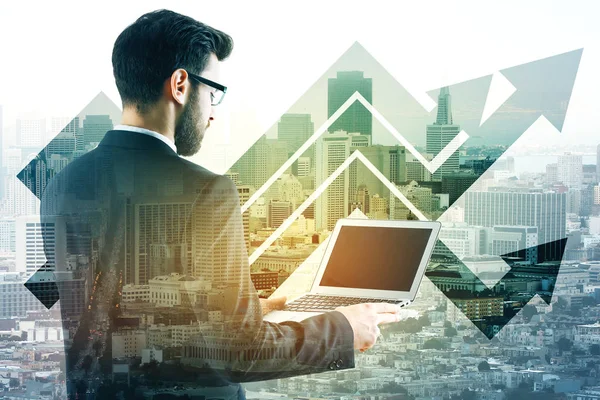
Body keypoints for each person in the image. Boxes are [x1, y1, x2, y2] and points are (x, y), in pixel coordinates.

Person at [39, 9, 402, 400]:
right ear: (180, 84)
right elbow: (242, 353)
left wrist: (235, 310)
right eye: (213, 93)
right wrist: (343, 329)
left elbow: (105, 315)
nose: (212, 113)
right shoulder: (205, 191)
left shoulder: (61, 185)